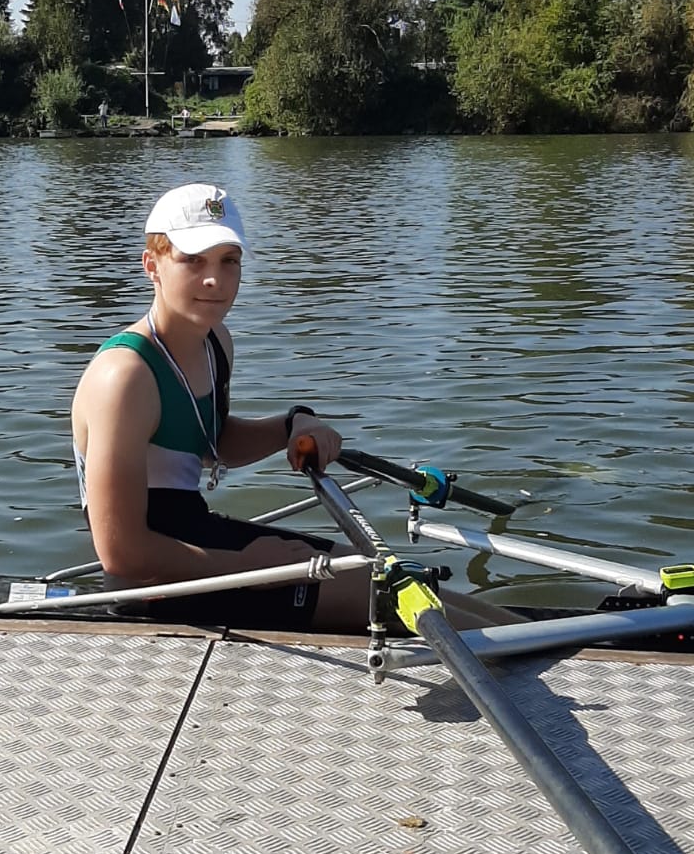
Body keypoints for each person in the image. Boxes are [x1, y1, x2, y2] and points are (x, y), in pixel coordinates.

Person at [71, 182, 517, 635]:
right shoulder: (123, 377)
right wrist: (248, 565)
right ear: (152, 265)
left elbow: (213, 443)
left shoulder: (215, 343)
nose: (215, 280)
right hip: (153, 585)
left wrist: (292, 423)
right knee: (388, 593)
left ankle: (537, 635)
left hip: (201, 539)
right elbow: (122, 554)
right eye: (193, 261)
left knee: (396, 577)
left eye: (229, 261)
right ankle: (531, 644)